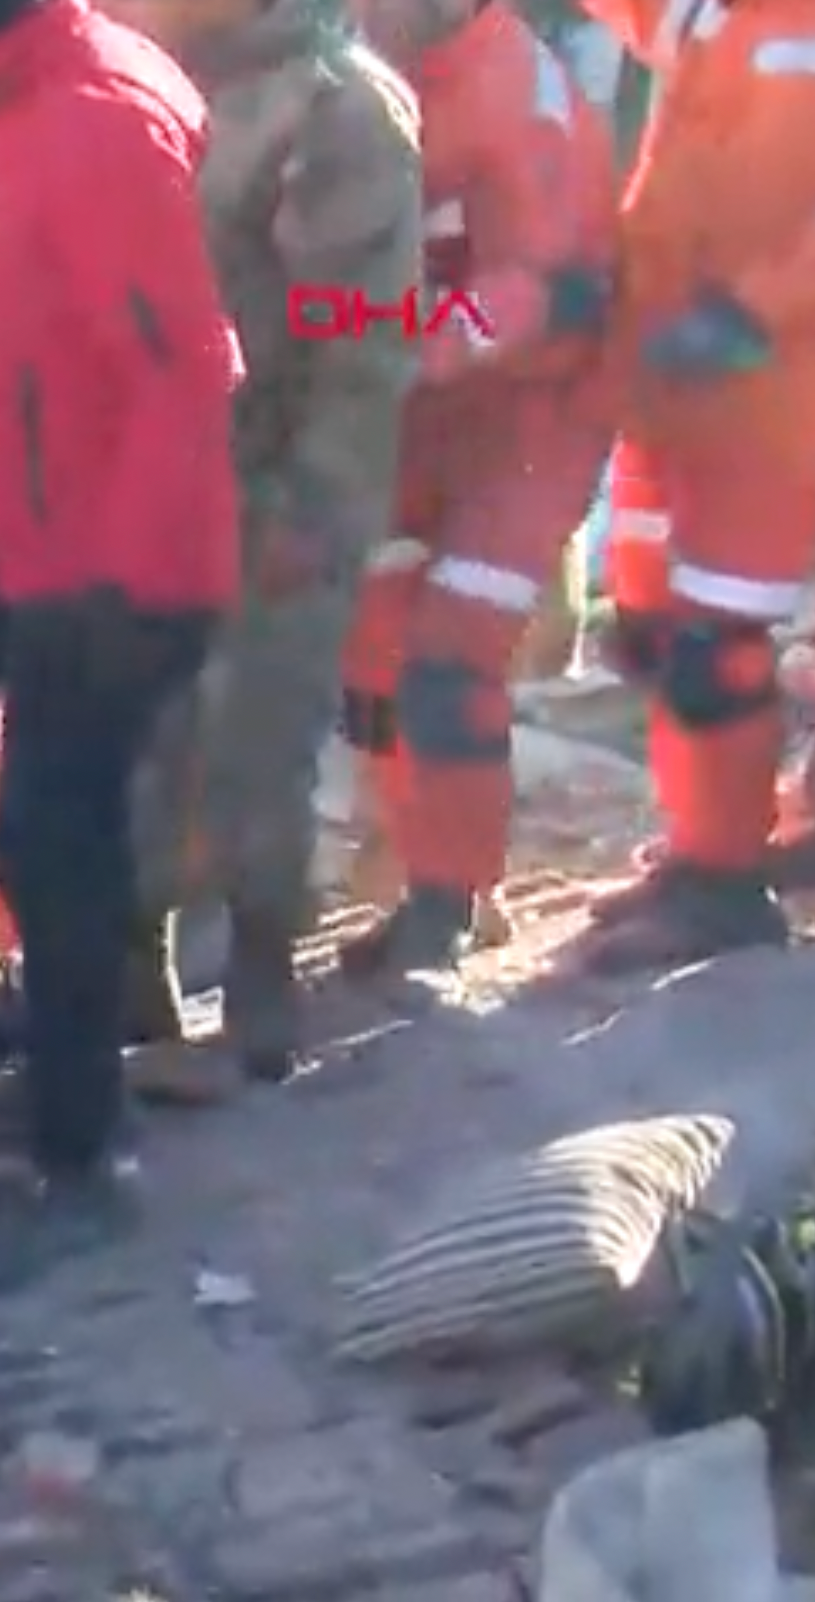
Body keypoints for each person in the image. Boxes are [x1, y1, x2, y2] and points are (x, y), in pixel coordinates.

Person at [0, 0, 241, 1202]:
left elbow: (184, 365)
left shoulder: (79, 124)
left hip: (110, 555)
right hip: (45, 522)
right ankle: (27, 1033)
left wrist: (126, 571)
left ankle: (81, 1141)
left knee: (46, 838)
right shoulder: (39, 105)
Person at [90, 0, 421, 1093]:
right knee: (141, 739)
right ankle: (135, 981)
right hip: (149, 479)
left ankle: (263, 989)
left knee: (255, 748)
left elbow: (357, 333)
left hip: (270, 486)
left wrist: (316, 508)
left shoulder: (333, 107)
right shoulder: (133, 75)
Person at [336, 0, 616, 983]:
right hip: (416, 423)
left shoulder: (518, 92)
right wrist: (315, 330)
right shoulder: (360, 74)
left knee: (451, 653)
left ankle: (446, 901)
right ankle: (432, 881)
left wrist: (410, 342)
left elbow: (547, 288)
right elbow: (343, 285)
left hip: (531, 422)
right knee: (371, 658)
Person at [557, 0, 815, 968]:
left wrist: (752, 313)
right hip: (678, 367)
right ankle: (704, 852)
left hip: (773, 375)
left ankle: (725, 888)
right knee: (662, 629)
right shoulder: (717, 14)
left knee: (720, 641)